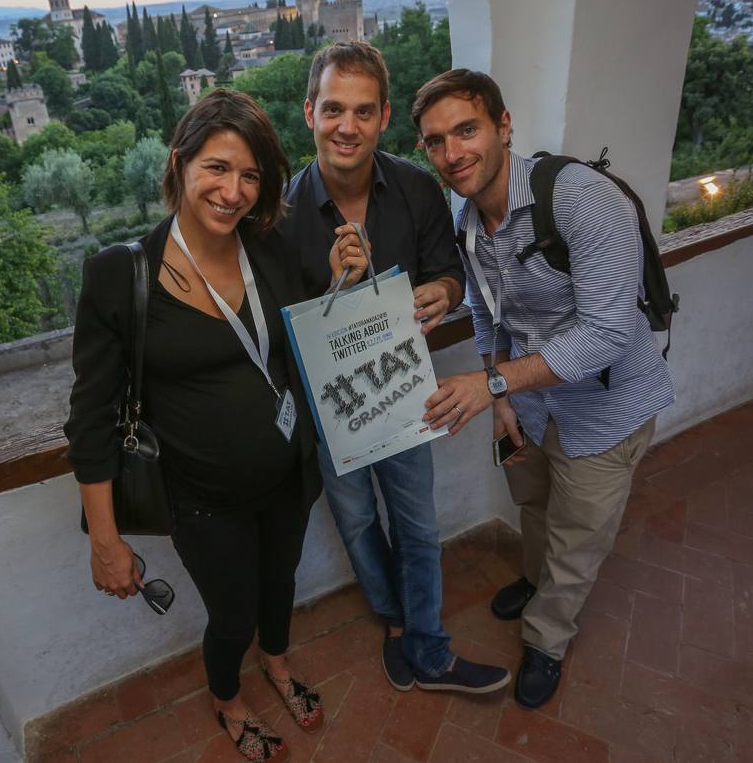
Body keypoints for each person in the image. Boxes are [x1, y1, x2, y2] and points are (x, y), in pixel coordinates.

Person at [64, 89, 368, 762]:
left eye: (250, 175)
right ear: (179, 163)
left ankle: (277, 662)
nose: (233, 192)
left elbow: (296, 338)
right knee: (232, 615)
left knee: (280, 586)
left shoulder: (267, 247)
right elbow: (90, 417)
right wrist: (106, 540)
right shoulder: (121, 275)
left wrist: (339, 283)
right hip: (202, 503)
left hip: (289, 478)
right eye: (217, 168)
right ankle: (228, 698)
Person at [414, 69, 675, 710]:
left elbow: (607, 333)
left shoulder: (583, 199)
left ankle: (547, 640)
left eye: (467, 130)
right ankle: (534, 582)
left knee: (577, 539)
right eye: (435, 141)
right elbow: (487, 313)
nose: (452, 153)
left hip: (607, 411)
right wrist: (503, 400)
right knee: (534, 506)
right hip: (529, 407)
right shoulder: (466, 217)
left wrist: (493, 383)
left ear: (503, 126)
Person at [277, 41, 511, 696]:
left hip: (405, 392)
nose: (346, 126)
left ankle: (429, 648)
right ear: (309, 112)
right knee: (355, 523)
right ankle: (395, 621)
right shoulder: (281, 214)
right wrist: (333, 287)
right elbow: (275, 326)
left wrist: (444, 292)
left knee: (416, 524)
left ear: (383, 116)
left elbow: (450, 275)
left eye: (362, 111)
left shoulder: (415, 188)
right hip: (329, 406)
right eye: (332, 109)